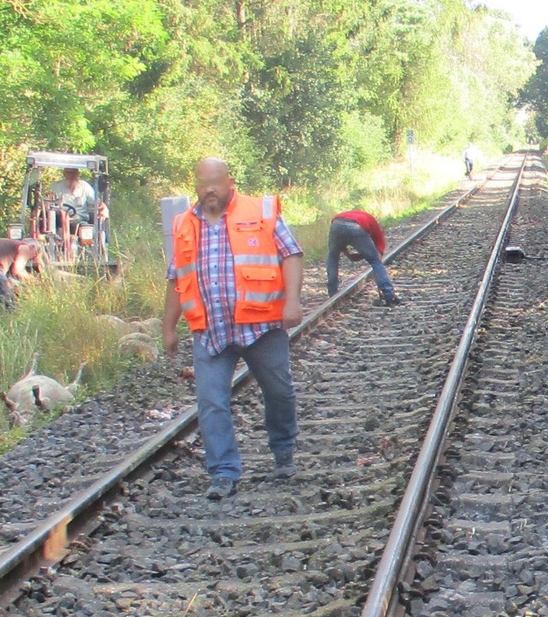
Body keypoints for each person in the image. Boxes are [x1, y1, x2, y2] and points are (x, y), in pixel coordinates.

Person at [161, 157, 305, 500]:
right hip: (210, 330)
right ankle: (223, 472)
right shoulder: (184, 224)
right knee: (211, 402)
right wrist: (168, 326)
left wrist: (293, 301)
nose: (209, 190)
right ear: (195, 185)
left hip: (261, 326)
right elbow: (175, 279)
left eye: (215, 182)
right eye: (202, 184)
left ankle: (283, 449)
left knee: (279, 391)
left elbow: (292, 254)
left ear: (229, 181)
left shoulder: (260, 211)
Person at [326, 210, 402, 306]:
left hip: (336, 224)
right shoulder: (372, 221)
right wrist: (378, 257)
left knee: (333, 257)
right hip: (355, 226)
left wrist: (349, 254)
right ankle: (389, 295)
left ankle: (332, 293)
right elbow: (380, 243)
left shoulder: (348, 215)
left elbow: (340, 242)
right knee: (375, 261)